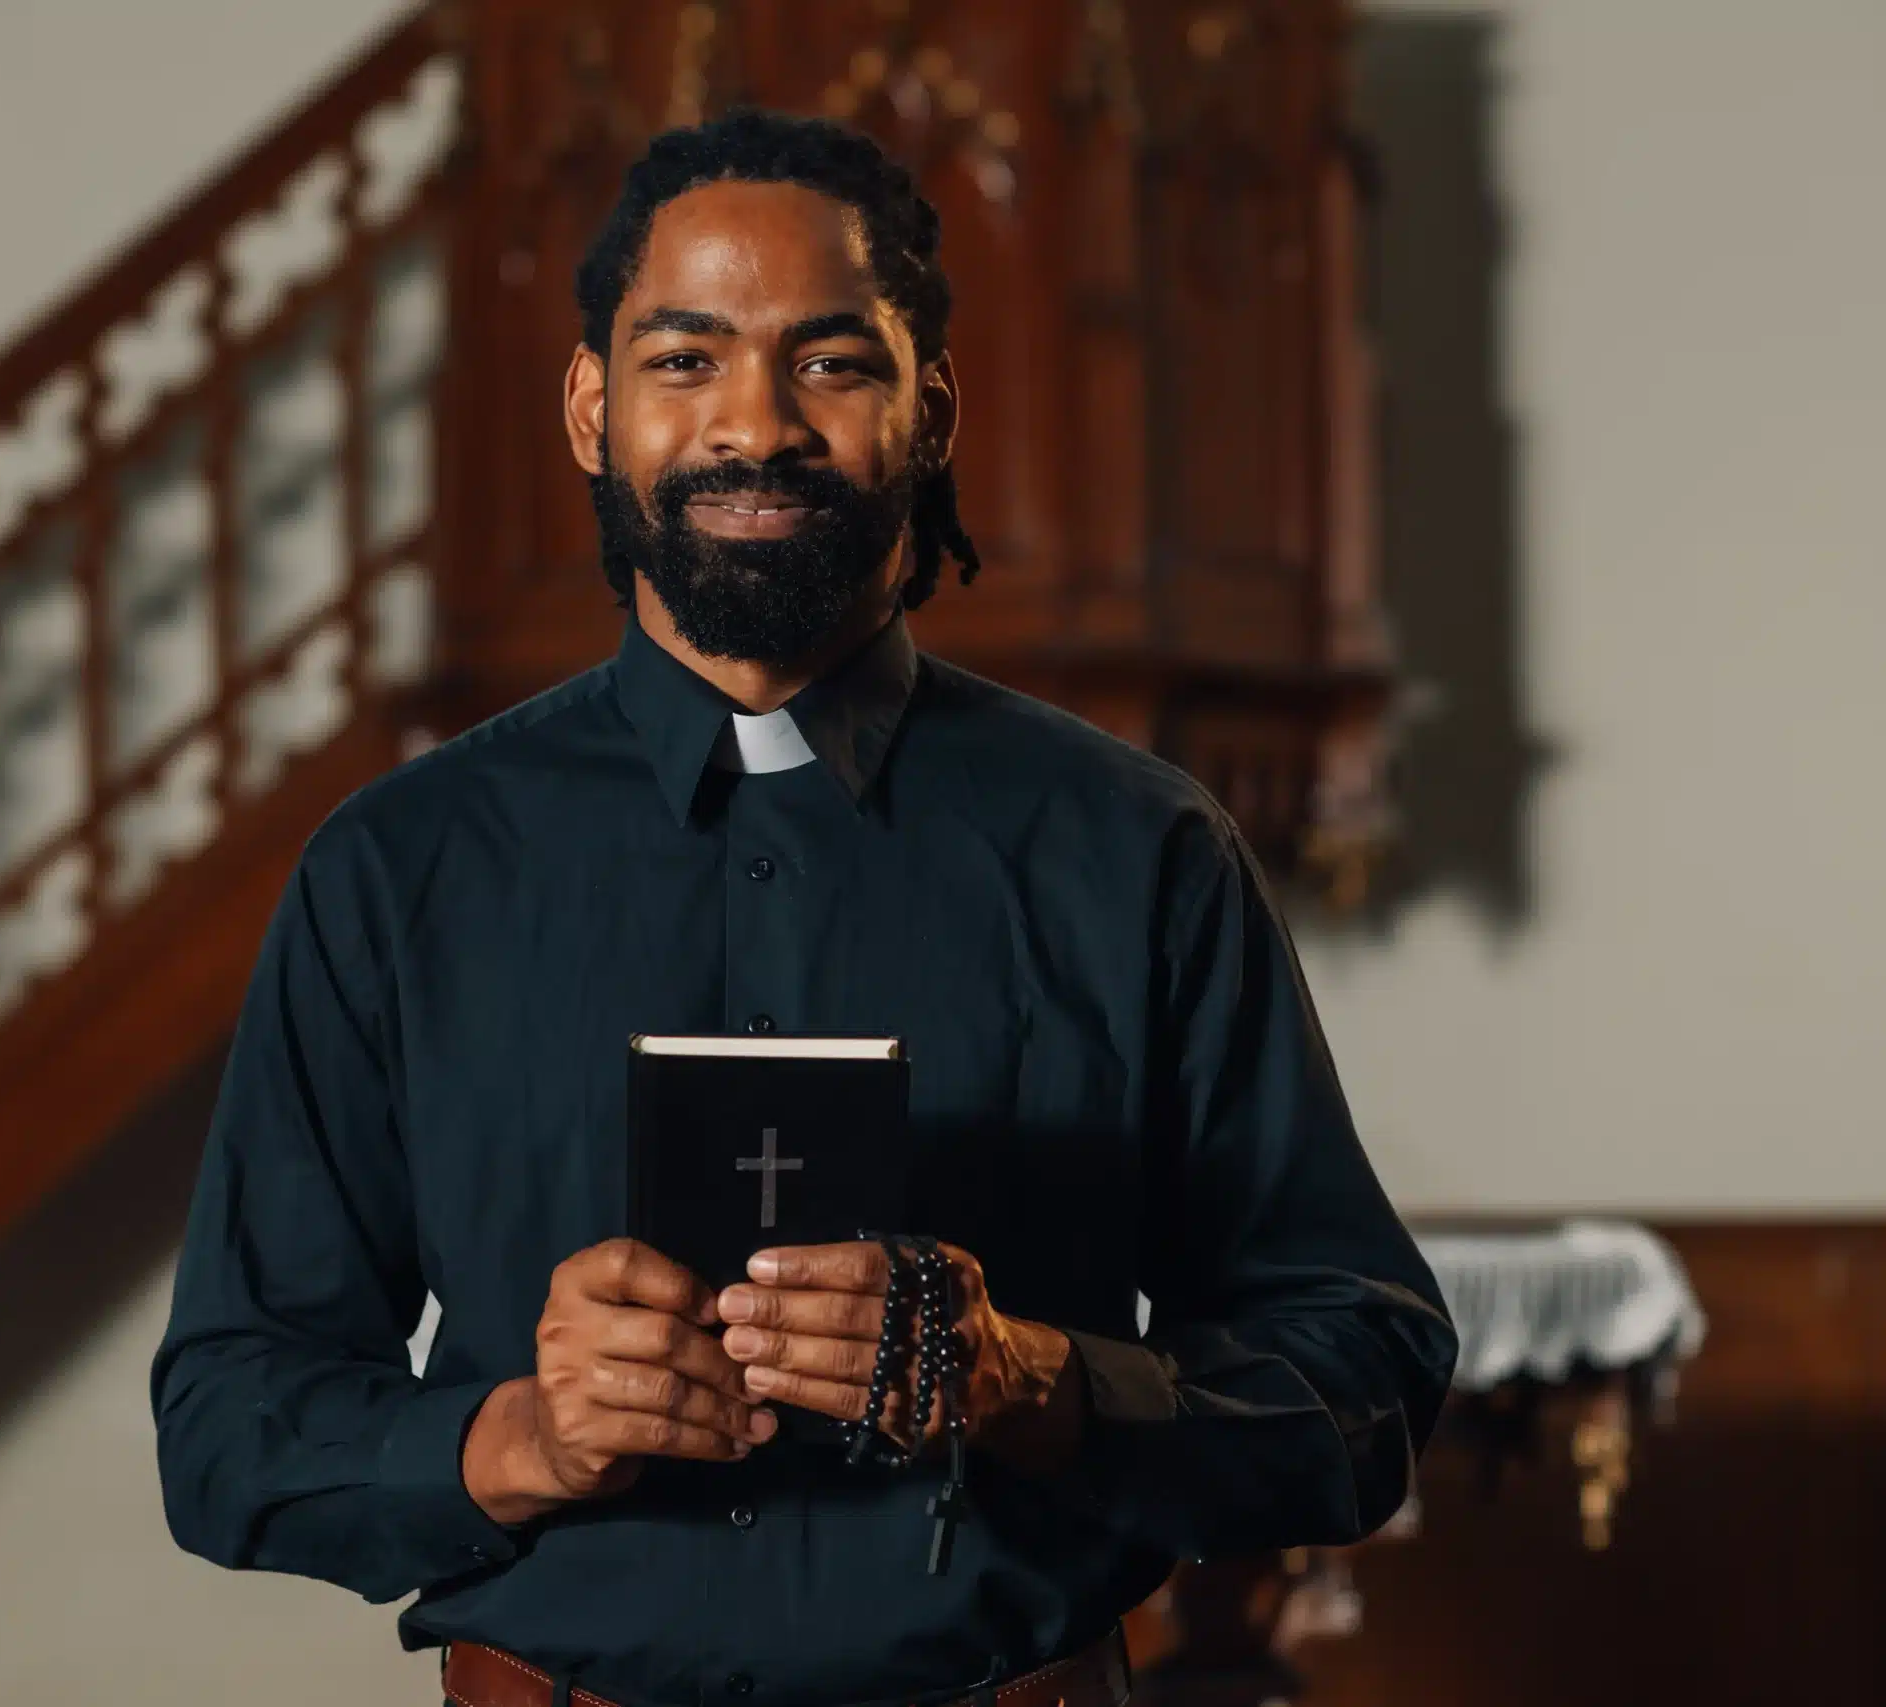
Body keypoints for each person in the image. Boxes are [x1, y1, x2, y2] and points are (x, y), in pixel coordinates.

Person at [151, 109, 1455, 1707]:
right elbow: (225, 1421)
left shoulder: (1135, 849)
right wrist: (521, 1432)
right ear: (589, 406)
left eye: (830, 362)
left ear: (931, 409)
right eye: (683, 360)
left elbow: (1367, 1376)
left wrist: (1038, 1380)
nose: (752, 424)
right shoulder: (398, 869)